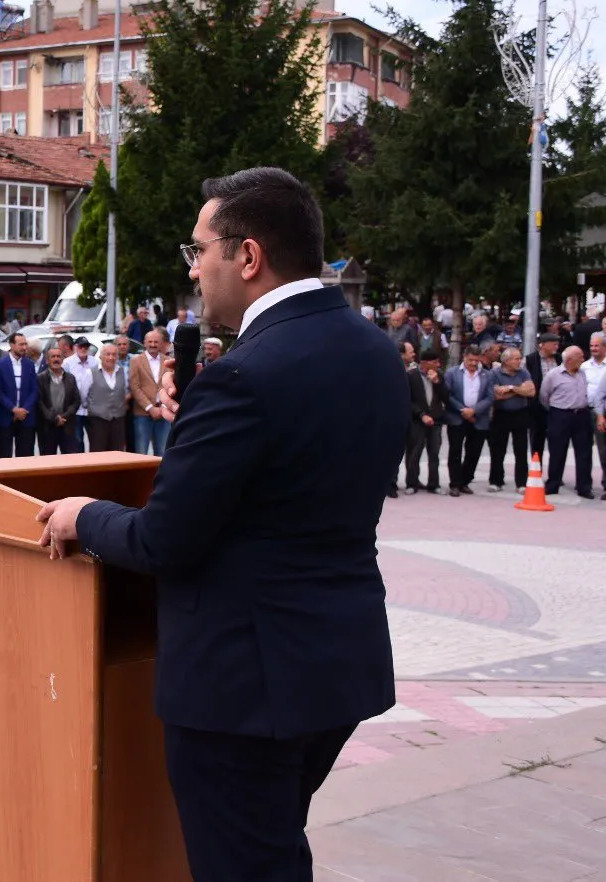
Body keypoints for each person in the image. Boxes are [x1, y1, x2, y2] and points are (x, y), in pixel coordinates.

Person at [36, 166, 402, 882]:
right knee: (271, 849)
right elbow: (289, 480)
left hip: (243, 685)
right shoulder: (372, 350)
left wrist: (87, 514)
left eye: (199, 250)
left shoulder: (245, 376)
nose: (196, 268)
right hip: (335, 665)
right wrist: (202, 424)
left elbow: (163, 539)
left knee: (245, 865)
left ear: (248, 256)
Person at [540, 345, 594, 498]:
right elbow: (544, 396)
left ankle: (584, 487)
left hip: (581, 415)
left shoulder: (583, 373)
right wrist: (557, 411)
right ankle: (553, 485)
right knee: (557, 451)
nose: (583, 360)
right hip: (560, 415)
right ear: (569, 360)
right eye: (580, 357)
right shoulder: (553, 375)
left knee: (584, 452)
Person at [444, 348, 493, 497]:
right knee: (455, 452)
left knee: (474, 452)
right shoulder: (452, 373)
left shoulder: (487, 375)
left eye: (476, 360)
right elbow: (448, 395)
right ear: (464, 357)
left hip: (479, 419)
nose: (473, 363)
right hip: (457, 418)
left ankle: (465, 481)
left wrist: (474, 411)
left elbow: (490, 397)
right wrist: (463, 410)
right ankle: (455, 484)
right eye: (470, 360)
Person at [487, 348, 535, 491]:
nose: (519, 361)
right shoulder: (494, 373)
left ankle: (521, 483)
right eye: (516, 358)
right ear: (506, 361)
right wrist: (520, 390)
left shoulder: (523, 372)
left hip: (520, 414)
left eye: (520, 358)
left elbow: (531, 391)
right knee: (498, 449)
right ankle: (496, 481)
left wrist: (511, 388)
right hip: (501, 414)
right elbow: (497, 395)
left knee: (521, 450)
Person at [405, 350, 449, 494]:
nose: (438, 365)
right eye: (434, 362)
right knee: (414, 453)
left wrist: (437, 382)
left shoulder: (439, 375)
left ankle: (434, 484)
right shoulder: (411, 375)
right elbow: (408, 400)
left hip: (436, 420)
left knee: (434, 454)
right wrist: (421, 414)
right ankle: (412, 483)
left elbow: (446, 398)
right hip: (418, 421)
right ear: (424, 363)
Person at [130, 329, 176, 455]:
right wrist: (150, 408)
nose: (153, 344)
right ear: (144, 343)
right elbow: (135, 387)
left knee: (162, 452)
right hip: (143, 413)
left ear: (161, 343)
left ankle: (159, 475)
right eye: (150, 341)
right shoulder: (136, 361)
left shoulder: (168, 361)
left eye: (156, 342)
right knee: (141, 452)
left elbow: (171, 386)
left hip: (163, 413)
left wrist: (162, 407)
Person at [0, 333, 37, 457]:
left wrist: (24, 410)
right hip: (6, 416)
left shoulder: (29, 364)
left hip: (25, 417)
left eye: (25, 344)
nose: (24, 347)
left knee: (25, 455)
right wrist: (13, 409)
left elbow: (34, 390)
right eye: (21, 344)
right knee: (3, 455)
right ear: (11, 345)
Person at [83, 343, 129, 452]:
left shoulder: (122, 372)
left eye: (114, 355)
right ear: (101, 356)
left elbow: (125, 391)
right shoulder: (90, 373)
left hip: (118, 420)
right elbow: (84, 396)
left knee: (117, 453)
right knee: (98, 453)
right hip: (98, 421)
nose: (111, 357)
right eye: (107, 354)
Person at [36, 345, 81, 454]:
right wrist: (54, 418)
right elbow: (39, 402)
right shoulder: (40, 378)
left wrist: (64, 417)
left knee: (69, 461)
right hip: (47, 427)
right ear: (47, 360)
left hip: (67, 425)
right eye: (53, 357)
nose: (56, 359)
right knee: (48, 463)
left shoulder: (71, 378)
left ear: (62, 359)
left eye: (58, 356)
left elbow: (76, 401)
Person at [527, 331, 562, 461]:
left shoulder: (559, 359)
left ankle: (555, 474)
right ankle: (537, 470)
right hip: (538, 407)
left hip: (557, 405)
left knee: (557, 441)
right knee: (537, 440)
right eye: (553, 344)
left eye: (557, 344)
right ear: (542, 345)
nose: (556, 347)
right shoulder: (531, 360)